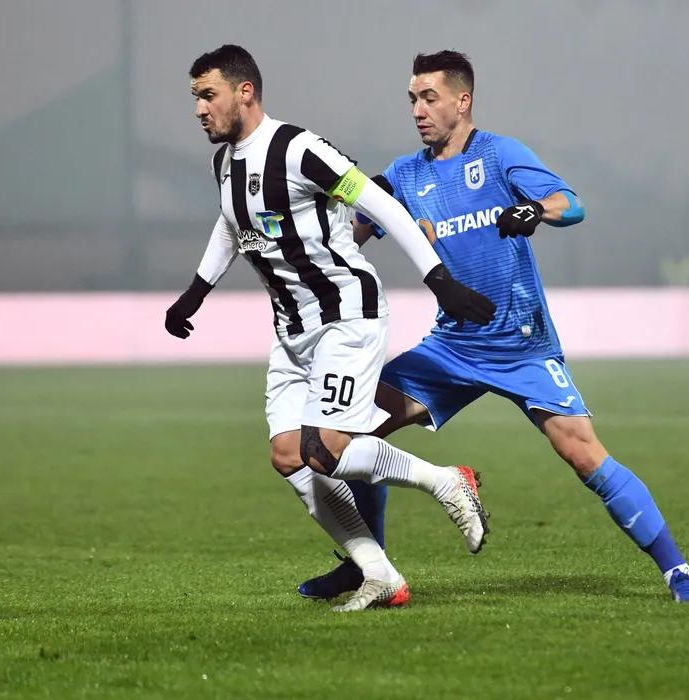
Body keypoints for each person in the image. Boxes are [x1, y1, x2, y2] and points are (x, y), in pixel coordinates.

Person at [298, 50, 689, 604]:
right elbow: (351, 233)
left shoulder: (498, 154)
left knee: (584, 455)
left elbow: (572, 204)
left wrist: (536, 211)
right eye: (413, 99)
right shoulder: (404, 174)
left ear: (462, 100)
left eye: (430, 98)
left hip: (522, 345)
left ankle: (678, 571)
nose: (418, 110)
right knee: (346, 433)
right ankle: (365, 566)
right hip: (450, 347)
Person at [166, 44, 498, 612]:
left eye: (208, 95)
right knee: (288, 455)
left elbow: (383, 207)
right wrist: (195, 293)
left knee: (325, 450)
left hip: (347, 316)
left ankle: (447, 482)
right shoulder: (225, 163)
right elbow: (231, 223)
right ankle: (379, 574)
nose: (199, 108)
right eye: (195, 97)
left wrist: (439, 280)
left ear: (244, 92)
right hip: (292, 332)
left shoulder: (298, 150)